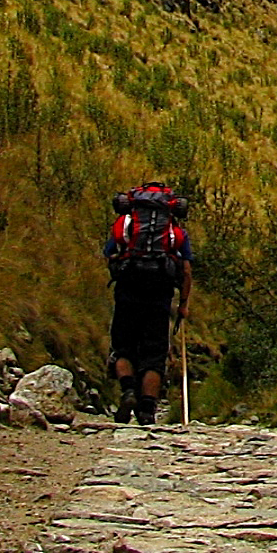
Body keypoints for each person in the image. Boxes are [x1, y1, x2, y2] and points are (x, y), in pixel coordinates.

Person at [104, 182, 191, 425]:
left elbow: (111, 253)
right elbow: (186, 270)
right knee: (154, 353)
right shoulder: (176, 233)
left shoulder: (127, 226)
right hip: (160, 295)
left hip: (128, 290)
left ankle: (129, 390)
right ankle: (147, 409)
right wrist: (183, 303)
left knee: (123, 347)